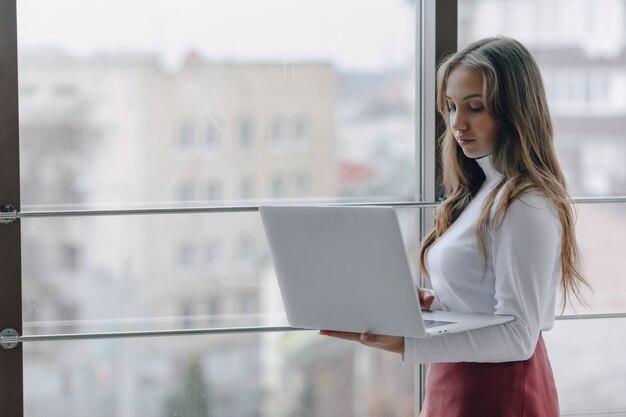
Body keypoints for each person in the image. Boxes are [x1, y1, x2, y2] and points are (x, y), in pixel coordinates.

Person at [319, 36, 590, 416]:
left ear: (515, 111)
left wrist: (406, 343)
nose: (457, 123)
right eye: (450, 107)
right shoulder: (484, 192)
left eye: (475, 107)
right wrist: (430, 306)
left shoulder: (526, 203)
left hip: (498, 392)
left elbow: (518, 336)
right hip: (456, 380)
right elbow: (480, 300)